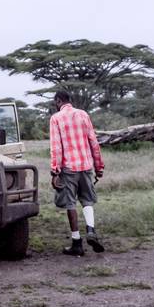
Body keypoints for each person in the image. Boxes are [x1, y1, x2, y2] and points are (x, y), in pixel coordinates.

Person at [49, 90, 105, 256]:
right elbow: (94, 142)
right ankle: (91, 230)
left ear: (58, 101)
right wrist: (99, 167)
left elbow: (56, 147)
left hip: (68, 168)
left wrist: (55, 171)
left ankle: (76, 242)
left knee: (70, 203)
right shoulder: (83, 114)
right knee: (87, 200)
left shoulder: (56, 118)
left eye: (55, 102)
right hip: (86, 165)